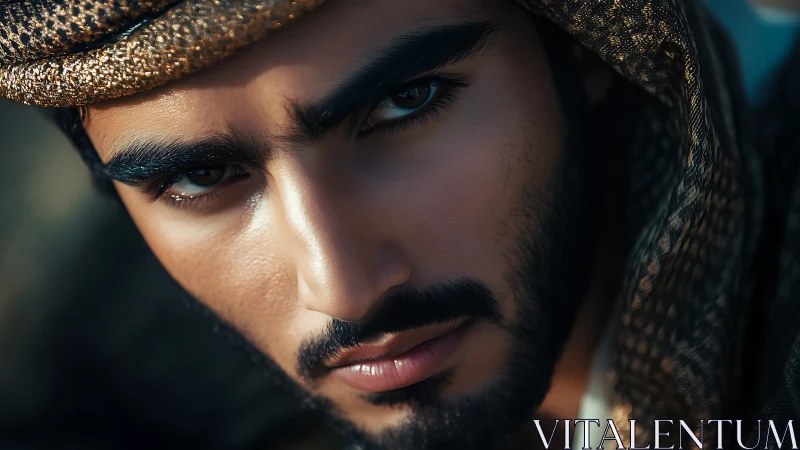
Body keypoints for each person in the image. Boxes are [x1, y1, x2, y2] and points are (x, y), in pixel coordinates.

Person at [0, 0, 792, 449]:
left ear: (587, 47)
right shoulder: (124, 402)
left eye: (404, 102)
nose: (343, 288)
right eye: (202, 177)